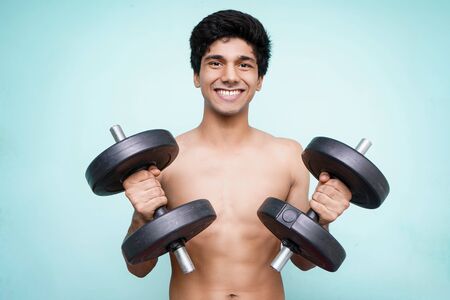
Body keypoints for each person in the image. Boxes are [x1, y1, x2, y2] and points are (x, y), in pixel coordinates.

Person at [122, 10, 351, 300]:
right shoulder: (165, 161)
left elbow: (304, 262)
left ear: (259, 79)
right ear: (196, 75)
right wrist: (141, 218)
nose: (229, 77)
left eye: (244, 65)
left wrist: (324, 220)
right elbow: (138, 269)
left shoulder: (288, 155)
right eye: (215, 63)